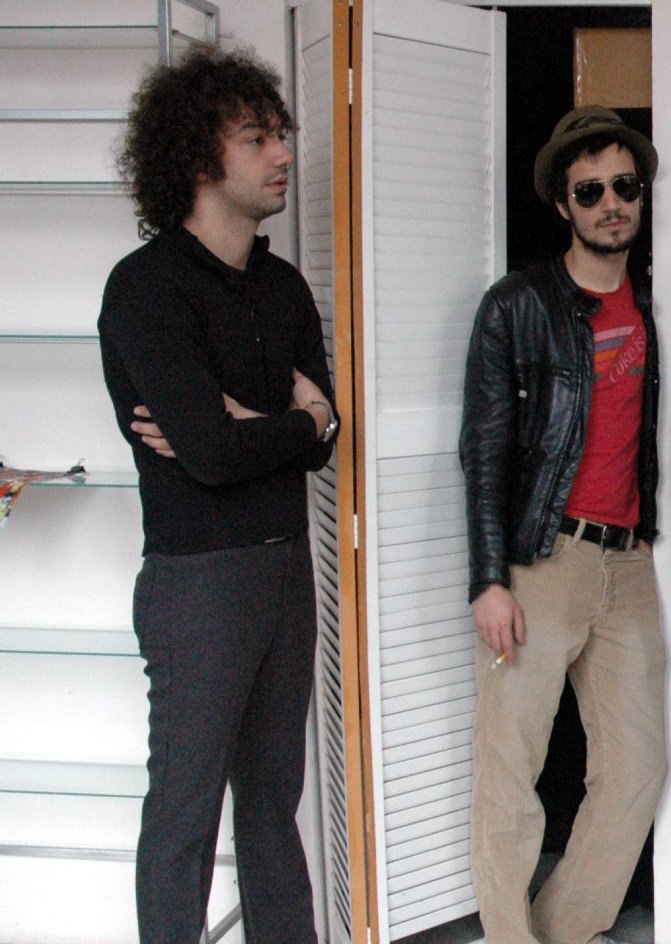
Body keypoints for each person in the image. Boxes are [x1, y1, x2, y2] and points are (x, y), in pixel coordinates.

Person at [99, 45, 337, 943]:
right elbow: (207, 453)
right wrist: (299, 423)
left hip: (284, 574)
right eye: (256, 137)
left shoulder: (283, 288)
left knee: (273, 806)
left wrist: (279, 429)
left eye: (281, 134)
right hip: (197, 583)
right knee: (185, 814)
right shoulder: (145, 289)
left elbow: (324, 441)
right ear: (199, 156)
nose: (283, 153)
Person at [459, 106, 666, 944]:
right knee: (511, 771)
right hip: (542, 559)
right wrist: (488, 577)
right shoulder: (517, 305)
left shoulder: (653, 300)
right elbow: (483, 451)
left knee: (638, 767)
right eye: (591, 191)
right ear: (562, 204)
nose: (611, 203)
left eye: (624, 186)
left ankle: (559, 930)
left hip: (628, 564)